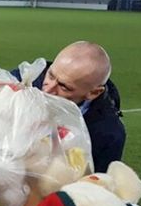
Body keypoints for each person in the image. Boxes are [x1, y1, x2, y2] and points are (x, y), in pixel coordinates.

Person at [16, 41, 125, 173]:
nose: (48, 89)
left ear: (93, 93)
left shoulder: (108, 134)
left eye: (64, 87)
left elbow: (96, 186)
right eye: (50, 75)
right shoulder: (23, 79)